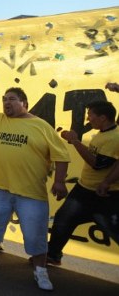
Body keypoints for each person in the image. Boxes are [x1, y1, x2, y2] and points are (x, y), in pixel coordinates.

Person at [0, 76, 69, 291]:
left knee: (35, 233)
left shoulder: (41, 126)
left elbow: (61, 155)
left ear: (25, 103)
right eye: (5, 99)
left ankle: (40, 270)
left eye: (12, 99)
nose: (7, 103)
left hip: (30, 193)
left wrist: (59, 181)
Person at [47, 100, 119, 265]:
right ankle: (52, 255)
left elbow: (97, 164)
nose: (88, 119)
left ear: (103, 118)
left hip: (107, 196)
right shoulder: (103, 133)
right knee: (63, 219)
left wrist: (75, 141)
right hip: (84, 190)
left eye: (91, 115)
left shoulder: (114, 138)